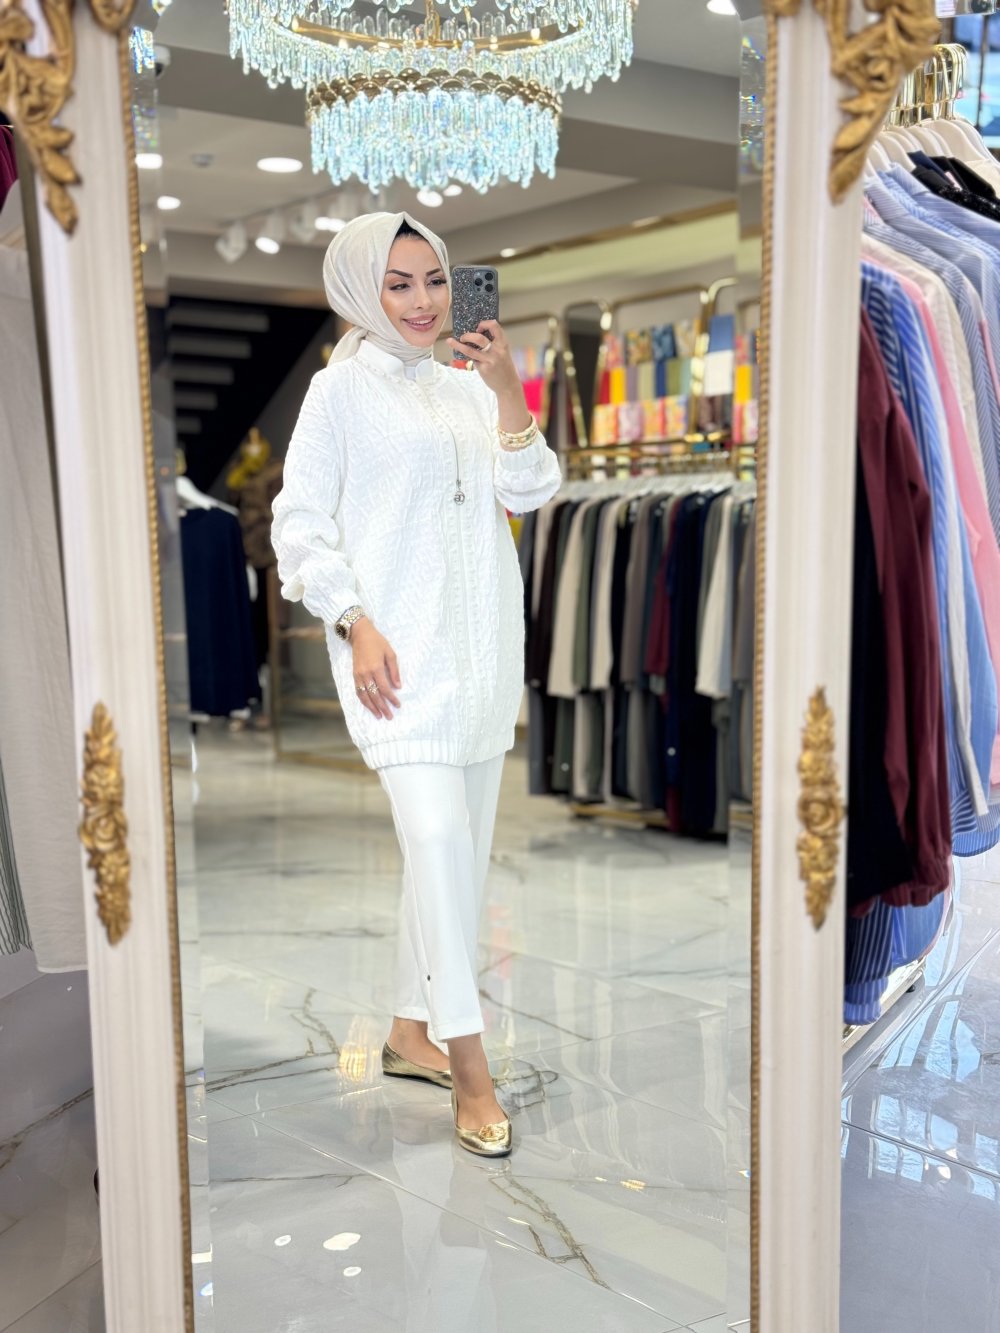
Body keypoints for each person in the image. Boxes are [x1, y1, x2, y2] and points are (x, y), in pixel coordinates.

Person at [271, 212, 561, 1157]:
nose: (424, 300)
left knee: (454, 861)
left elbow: (532, 490)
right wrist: (351, 619)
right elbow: (299, 525)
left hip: (482, 663)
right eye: (399, 283)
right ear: (362, 289)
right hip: (393, 663)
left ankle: (409, 1029)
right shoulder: (337, 393)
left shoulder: (471, 387)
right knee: (437, 840)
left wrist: (506, 386)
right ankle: (470, 1067)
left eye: (434, 279)